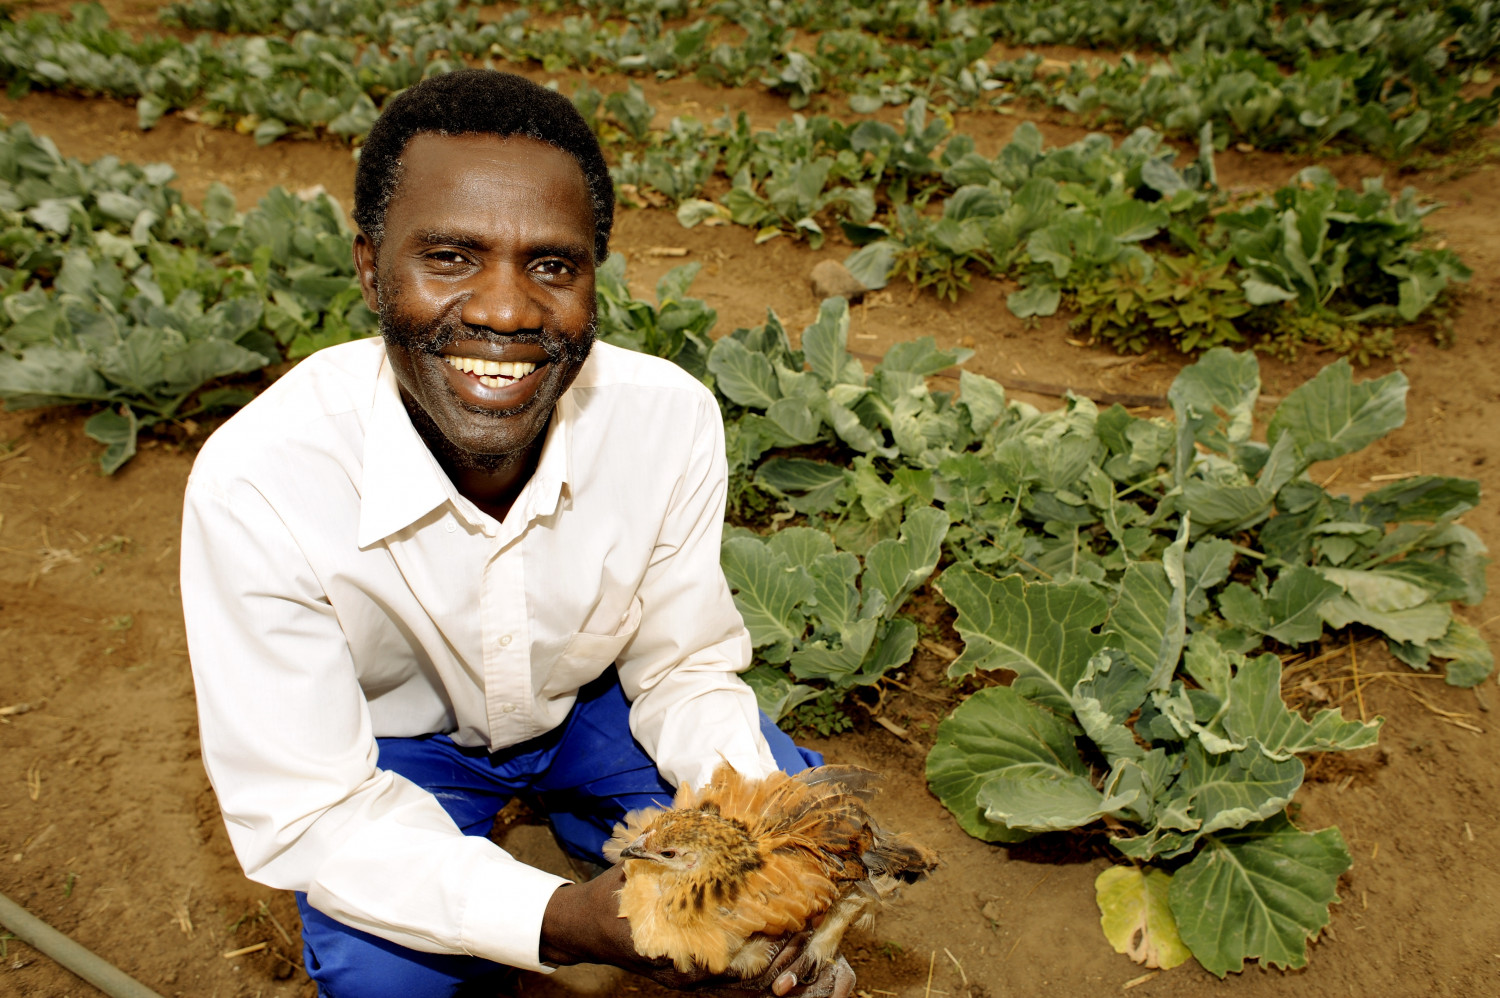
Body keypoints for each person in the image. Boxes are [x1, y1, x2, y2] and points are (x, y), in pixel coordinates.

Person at [180, 69, 854, 998]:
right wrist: (566, 922)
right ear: (371, 267)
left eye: (551, 265)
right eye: (451, 257)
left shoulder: (667, 420)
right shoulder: (262, 478)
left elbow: (682, 668)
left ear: (593, 276)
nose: (505, 310)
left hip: (590, 711)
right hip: (396, 757)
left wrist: (763, 843)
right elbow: (313, 810)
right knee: (388, 979)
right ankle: (546, 845)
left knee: (782, 833)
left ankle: (593, 821)